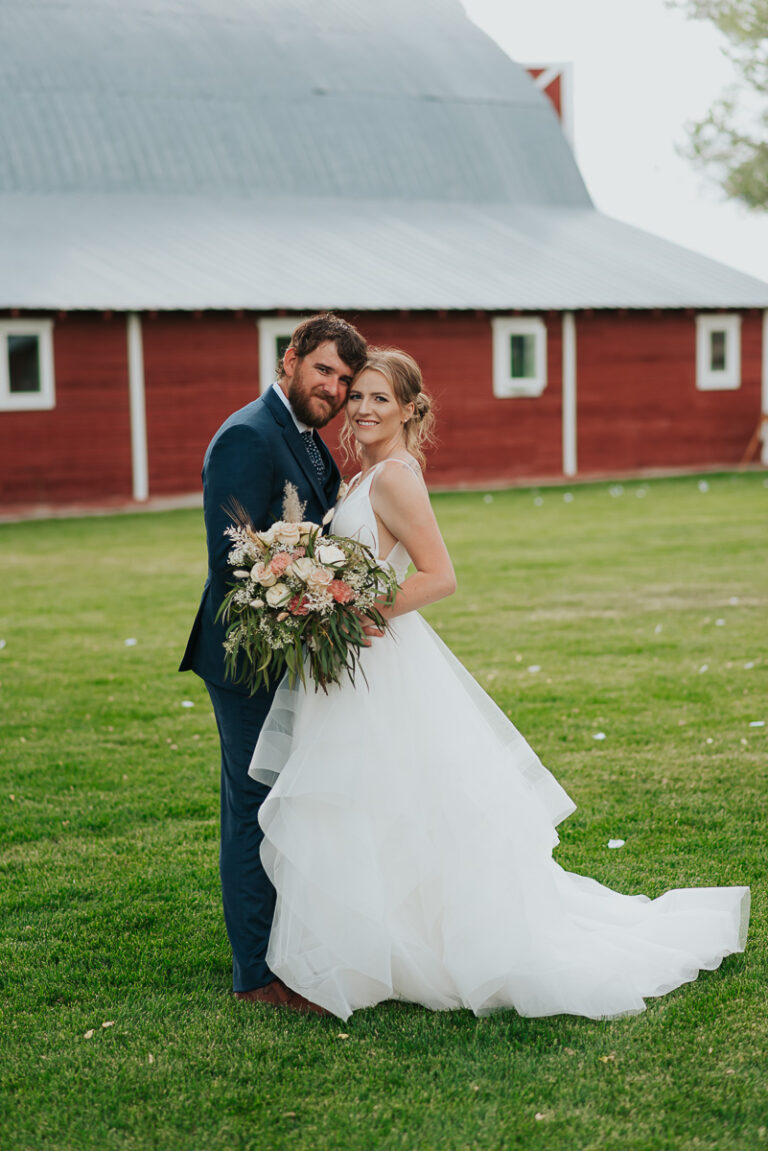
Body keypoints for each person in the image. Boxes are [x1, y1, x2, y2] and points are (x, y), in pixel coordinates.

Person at [248, 348, 750, 1021]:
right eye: (357, 396)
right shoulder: (362, 476)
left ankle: (411, 945)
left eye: (379, 399)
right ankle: (378, 943)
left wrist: (353, 610)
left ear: (407, 410)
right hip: (359, 664)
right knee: (373, 801)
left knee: (391, 799)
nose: (363, 408)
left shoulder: (395, 477)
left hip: (384, 660)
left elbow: (439, 574)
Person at [180, 313, 368, 1013]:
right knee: (255, 808)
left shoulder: (310, 444)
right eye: (324, 370)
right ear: (290, 358)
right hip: (248, 660)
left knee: (286, 803)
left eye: (345, 381)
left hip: (293, 655)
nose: (334, 389)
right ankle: (256, 974)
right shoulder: (247, 435)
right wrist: (302, 607)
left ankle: (291, 951)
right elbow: (235, 566)